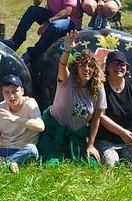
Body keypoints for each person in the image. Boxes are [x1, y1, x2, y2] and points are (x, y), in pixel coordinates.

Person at [39, 31, 106, 164]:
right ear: (76, 68)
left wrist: (91, 145)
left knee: (92, 166)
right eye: (83, 65)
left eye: (91, 66)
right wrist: (67, 50)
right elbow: (62, 65)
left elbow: (97, 118)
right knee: (51, 165)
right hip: (55, 132)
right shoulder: (66, 80)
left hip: (77, 135)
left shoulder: (98, 88)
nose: (87, 69)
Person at [4, 0, 78, 63]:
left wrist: (47, 22)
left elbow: (68, 10)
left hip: (70, 21)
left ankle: (31, 54)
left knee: (54, 26)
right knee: (32, 10)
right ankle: (15, 42)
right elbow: (37, 3)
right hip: (54, 15)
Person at [94, 50, 132, 169]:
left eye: (122, 64)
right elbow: (100, 115)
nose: (119, 67)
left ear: (126, 67)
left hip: (130, 140)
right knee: (111, 165)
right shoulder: (101, 85)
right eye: (115, 64)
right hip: (106, 140)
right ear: (107, 67)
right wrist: (121, 132)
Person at [0, 76, 43, 172]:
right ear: (2, 94)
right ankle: (5, 165)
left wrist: (16, 119)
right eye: (7, 92)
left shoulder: (30, 103)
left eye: (15, 91)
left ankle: (1, 167)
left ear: (22, 91)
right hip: (3, 150)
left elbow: (40, 126)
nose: (11, 96)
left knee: (32, 150)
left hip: (22, 151)